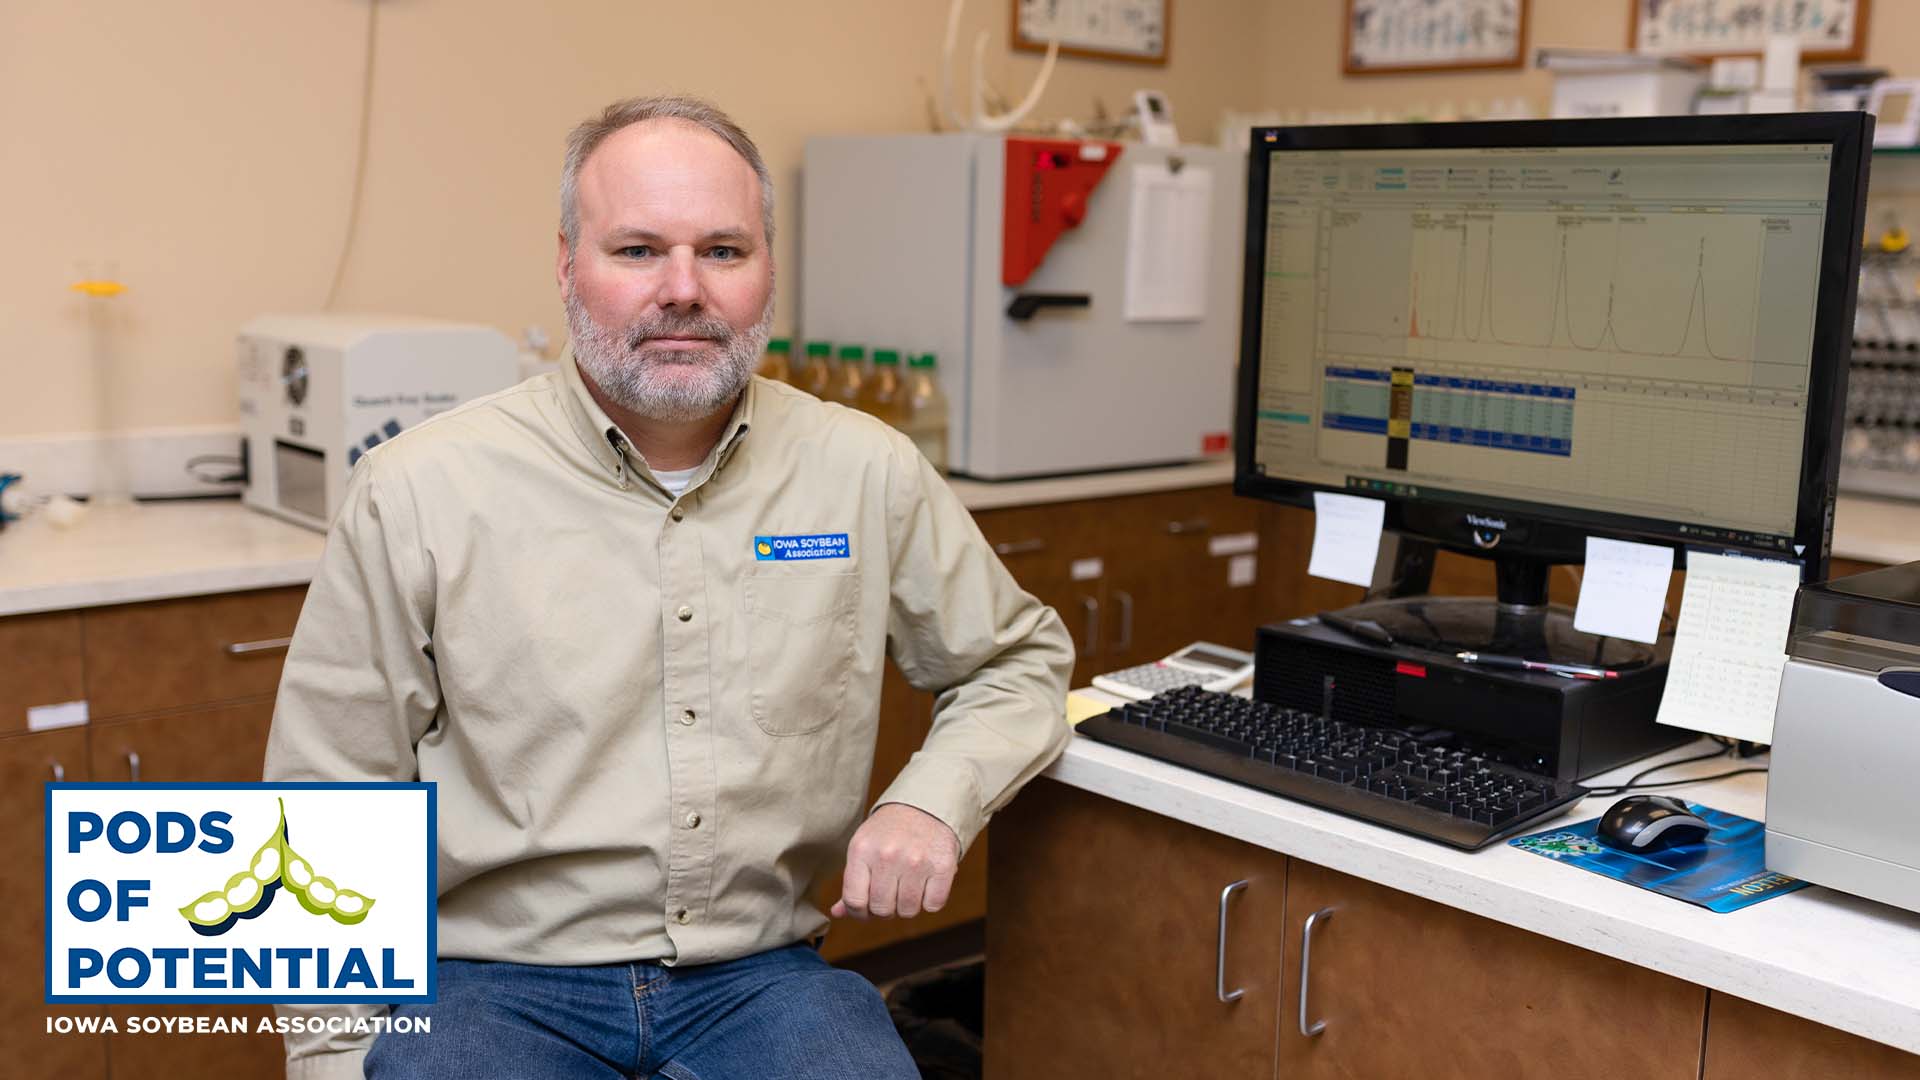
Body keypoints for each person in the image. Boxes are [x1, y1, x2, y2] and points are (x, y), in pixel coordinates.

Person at [263, 95, 1074, 1079]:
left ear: (769, 268)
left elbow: (1018, 660)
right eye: (638, 250)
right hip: (491, 982)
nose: (684, 289)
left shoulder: (866, 470)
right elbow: (328, 793)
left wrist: (930, 805)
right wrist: (334, 1054)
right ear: (567, 264)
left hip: (762, 977)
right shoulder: (420, 487)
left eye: (724, 251)